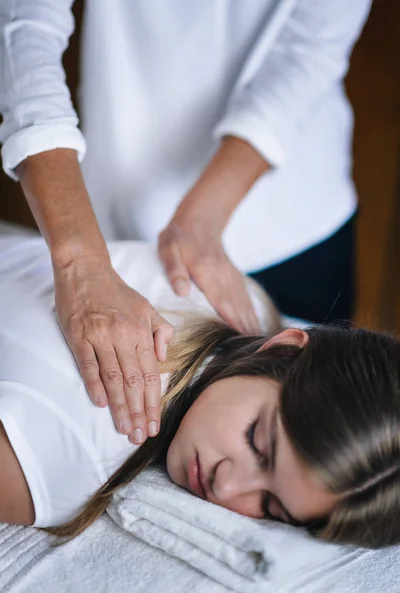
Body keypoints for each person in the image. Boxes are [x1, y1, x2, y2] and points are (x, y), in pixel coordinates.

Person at [0, 1, 373, 443]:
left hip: (295, 225)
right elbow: (25, 23)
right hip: (115, 200)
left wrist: (203, 215)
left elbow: (309, 51)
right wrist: (79, 260)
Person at [0, 235, 400, 549]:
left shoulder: (241, 299)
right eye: (256, 442)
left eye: (270, 507)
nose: (225, 486)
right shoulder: (69, 461)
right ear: (280, 347)